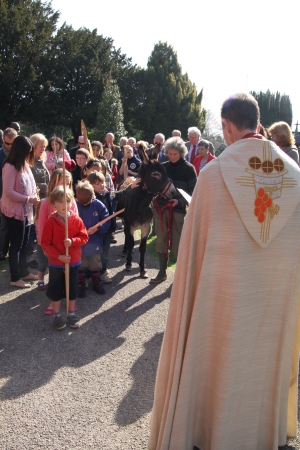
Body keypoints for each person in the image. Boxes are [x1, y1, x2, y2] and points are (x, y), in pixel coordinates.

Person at [148, 93, 300, 450]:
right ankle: (260, 429)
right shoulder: (294, 176)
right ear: (258, 123)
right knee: (260, 361)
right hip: (272, 300)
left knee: (218, 357)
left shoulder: (215, 173)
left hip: (223, 298)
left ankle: (210, 429)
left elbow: (192, 249)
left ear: (228, 126)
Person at [150, 137, 197, 283]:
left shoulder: (189, 169)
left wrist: (180, 201)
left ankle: (180, 276)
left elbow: (194, 191)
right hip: (161, 209)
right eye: (169, 153)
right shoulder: (163, 166)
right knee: (161, 240)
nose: (171, 156)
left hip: (179, 211)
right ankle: (162, 272)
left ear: (181, 153)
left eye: (174, 154)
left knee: (178, 243)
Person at [41, 186, 88, 330]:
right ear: (53, 203)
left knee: (72, 288)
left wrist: (73, 241)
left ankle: (71, 313)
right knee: (56, 288)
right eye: (60, 202)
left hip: (73, 262)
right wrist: (59, 256)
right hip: (56, 264)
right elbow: (45, 244)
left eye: (67, 201)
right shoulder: (51, 222)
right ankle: (56, 314)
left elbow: (84, 237)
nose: (64, 205)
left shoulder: (76, 219)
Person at [0, 136, 39, 288]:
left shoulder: (24, 164)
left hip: (25, 209)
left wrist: (33, 195)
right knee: (16, 244)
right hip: (15, 211)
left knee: (24, 243)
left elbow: (31, 182)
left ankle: (23, 272)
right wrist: (28, 199)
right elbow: (8, 192)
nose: (28, 154)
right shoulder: (9, 166)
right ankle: (15, 277)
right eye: (27, 151)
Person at [36, 168, 78, 301]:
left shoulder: (72, 202)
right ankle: (54, 302)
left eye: (68, 184)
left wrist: (73, 241)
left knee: (66, 275)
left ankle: (68, 300)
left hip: (65, 244)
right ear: (54, 184)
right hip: (51, 246)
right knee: (54, 274)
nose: (66, 187)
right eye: (62, 184)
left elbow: (76, 222)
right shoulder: (46, 203)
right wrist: (44, 245)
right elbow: (41, 225)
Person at [75, 181, 110, 297]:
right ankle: (81, 284)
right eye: (82, 202)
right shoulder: (74, 205)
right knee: (81, 264)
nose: (85, 204)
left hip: (94, 240)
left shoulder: (98, 205)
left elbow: (106, 219)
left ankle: (96, 283)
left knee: (95, 264)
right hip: (80, 243)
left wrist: (98, 228)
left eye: (88, 202)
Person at [87, 171, 115, 283]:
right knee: (93, 255)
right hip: (96, 232)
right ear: (91, 186)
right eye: (97, 183)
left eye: (102, 182)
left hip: (107, 231)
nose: (101, 185)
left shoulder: (108, 194)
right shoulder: (90, 198)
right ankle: (89, 275)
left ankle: (102, 273)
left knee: (105, 255)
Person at [0, 127, 17, 260]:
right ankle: (2, 250)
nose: (10, 146)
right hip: (3, 195)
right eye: (7, 143)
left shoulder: (20, 155)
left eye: (13, 143)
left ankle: (15, 252)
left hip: (18, 197)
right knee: (4, 225)